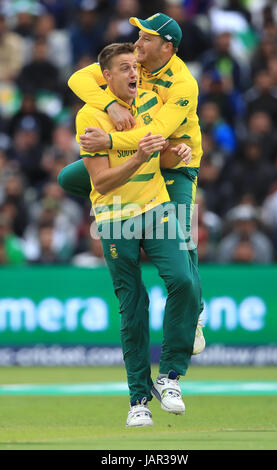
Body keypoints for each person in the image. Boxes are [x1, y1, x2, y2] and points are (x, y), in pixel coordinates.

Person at [64, 42, 202, 427]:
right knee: (133, 307)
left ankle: (170, 377)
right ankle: (138, 401)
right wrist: (140, 155)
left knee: (185, 282)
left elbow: (166, 156)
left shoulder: (153, 104)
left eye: (134, 67)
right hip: (115, 217)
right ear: (105, 77)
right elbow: (103, 182)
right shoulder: (90, 115)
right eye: (123, 67)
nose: (133, 73)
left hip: (156, 209)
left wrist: (178, 152)